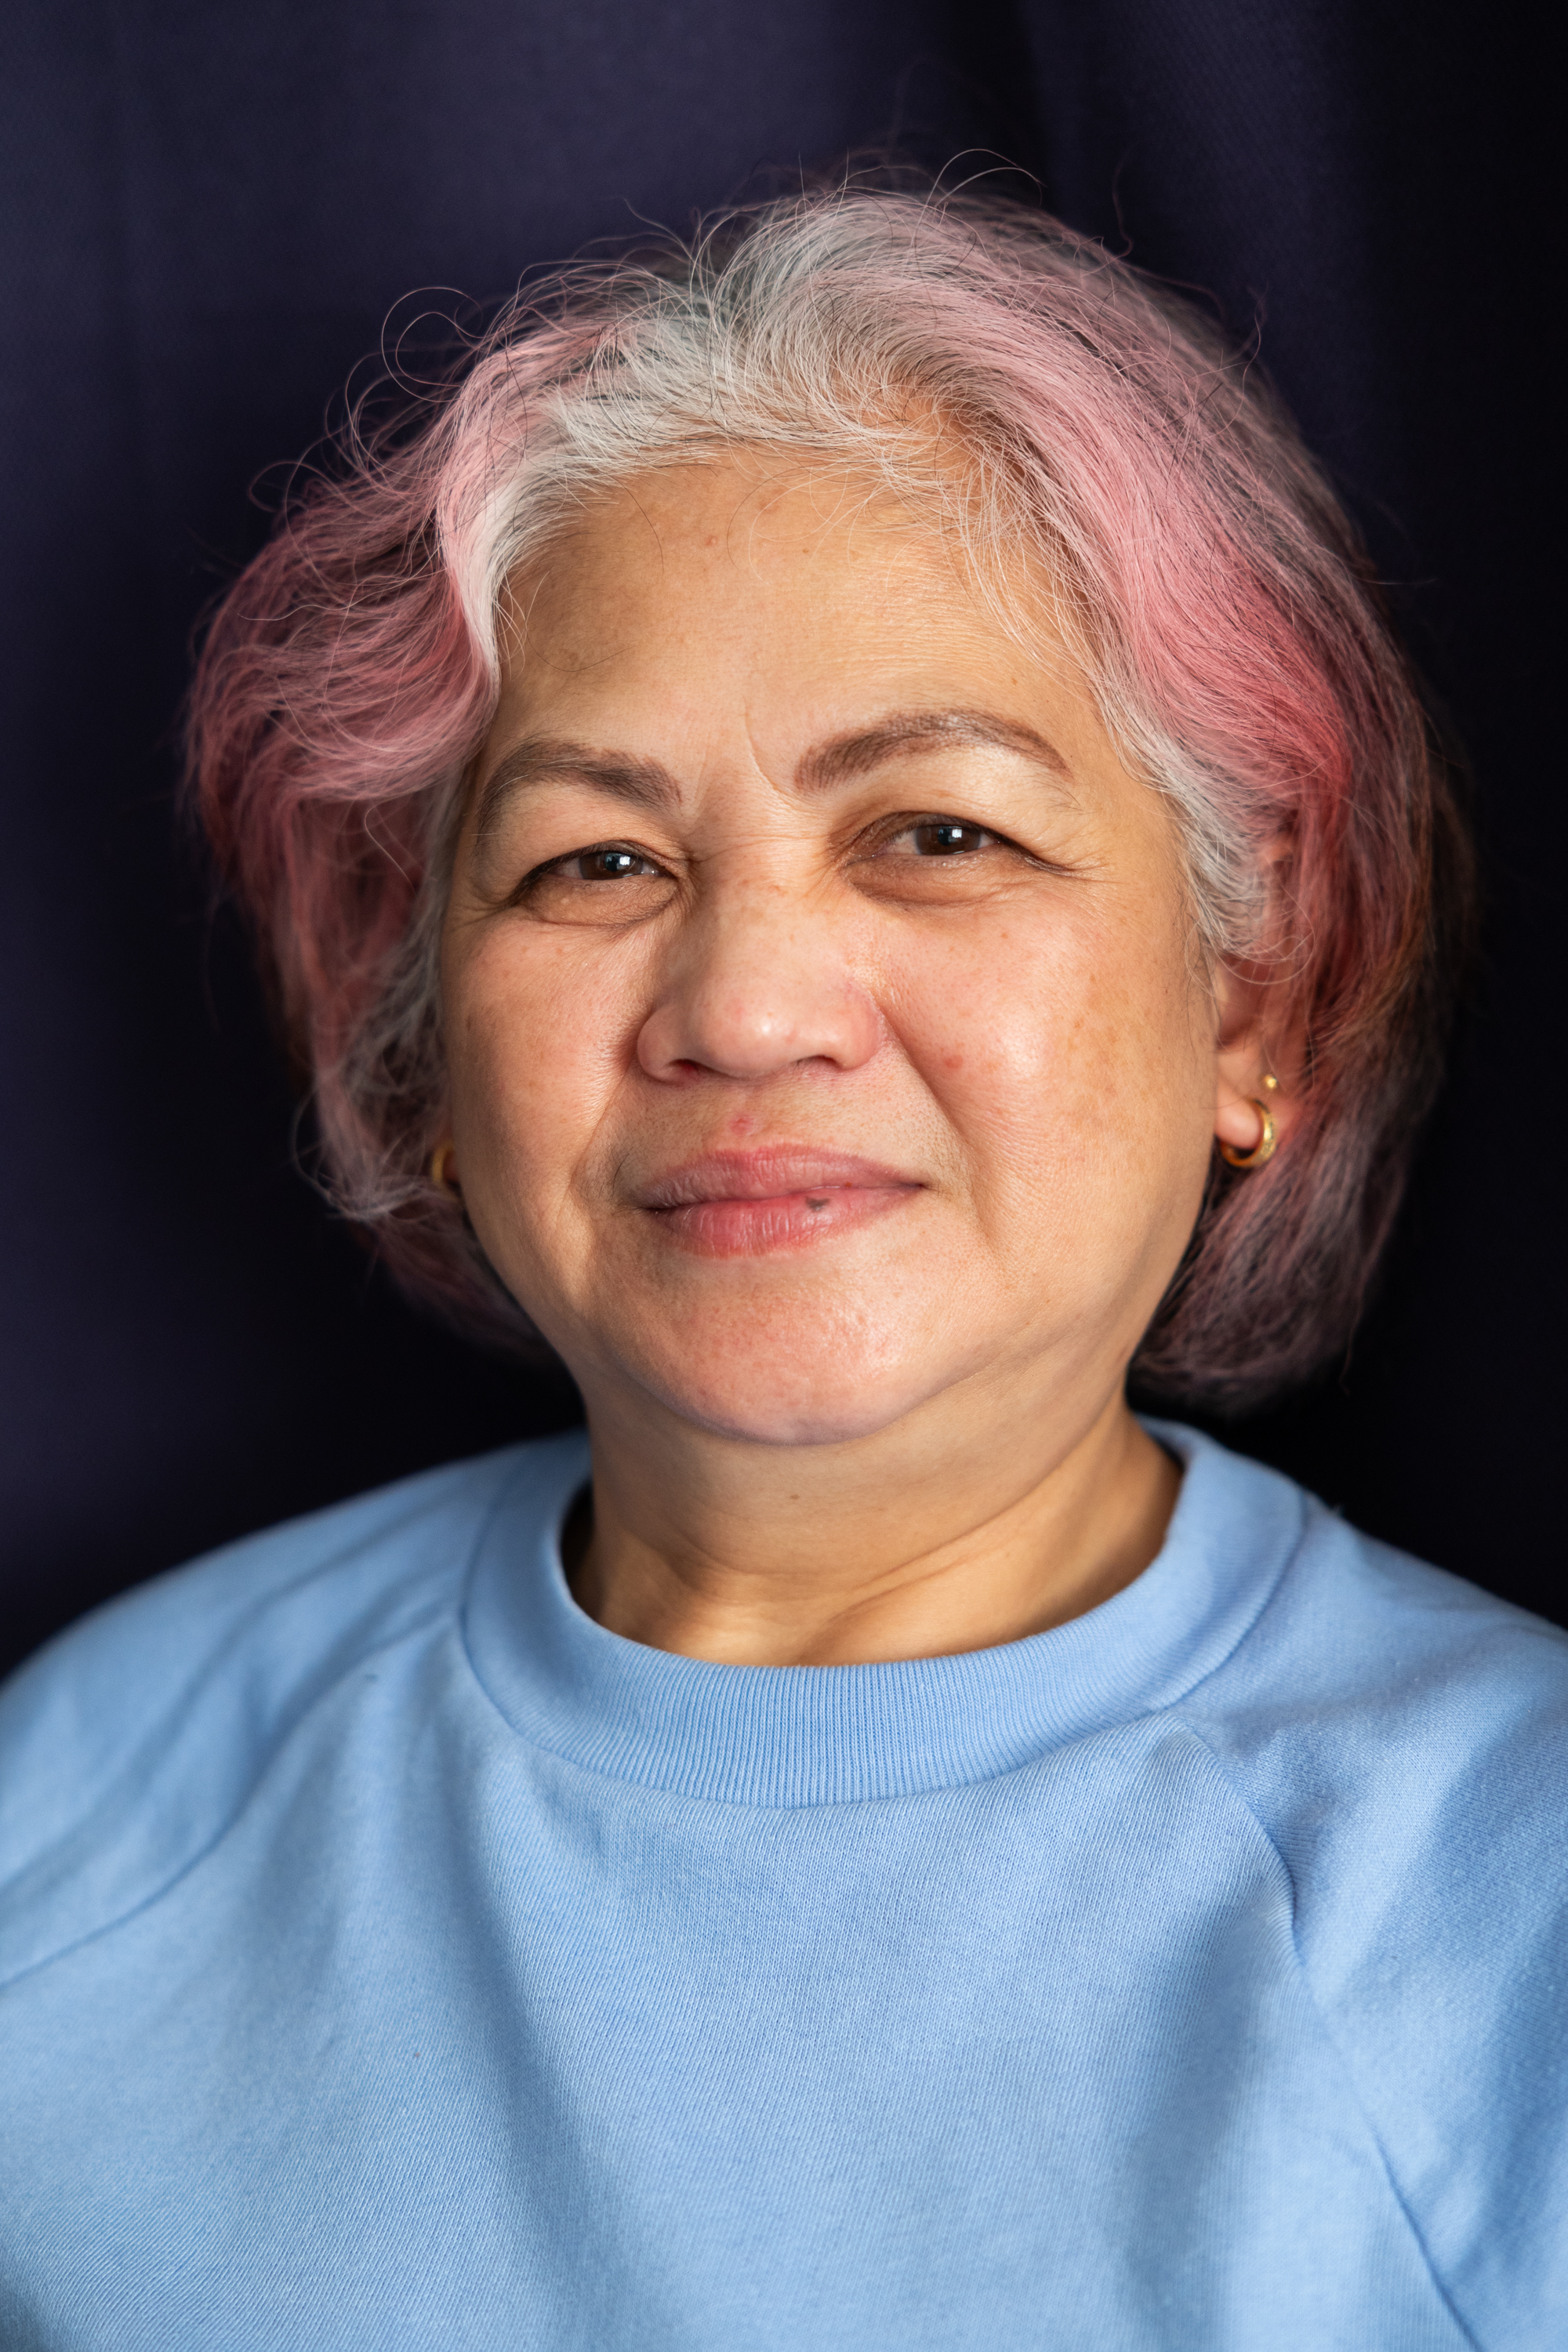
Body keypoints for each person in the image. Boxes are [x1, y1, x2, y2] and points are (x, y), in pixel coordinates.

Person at [0, 187, 1560, 2351]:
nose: (744, 1007)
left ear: (1255, 1005)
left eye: (938, 831)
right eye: (596, 860)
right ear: (420, 1039)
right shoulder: (81, 1807)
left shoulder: (1517, 1899)